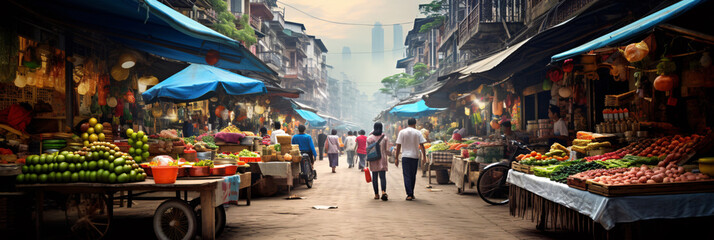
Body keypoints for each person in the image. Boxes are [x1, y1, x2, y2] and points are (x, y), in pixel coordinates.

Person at [394, 118, 427, 201]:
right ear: (415, 124)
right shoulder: (418, 132)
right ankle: (411, 193)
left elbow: (398, 145)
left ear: (407, 124)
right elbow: (422, 145)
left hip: (405, 156)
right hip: (414, 157)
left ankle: (409, 194)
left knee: (407, 175)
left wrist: (396, 158)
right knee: (413, 175)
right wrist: (424, 157)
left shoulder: (402, 132)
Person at [367, 122, 390, 201]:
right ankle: (383, 191)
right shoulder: (385, 138)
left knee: (375, 177)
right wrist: (392, 154)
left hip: (373, 159)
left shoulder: (369, 138)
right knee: (383, 177)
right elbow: (387, 150)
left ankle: (376, 194)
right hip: (382, 159)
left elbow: (367, 149)